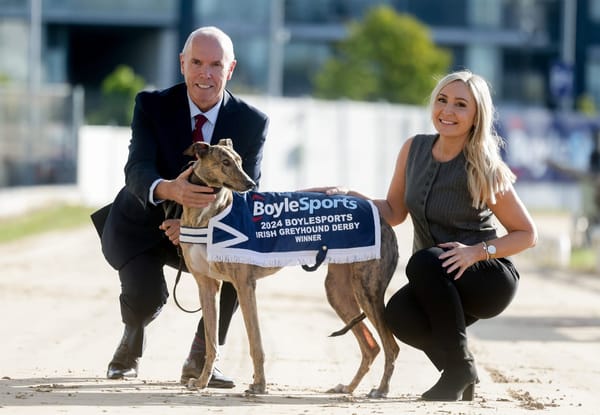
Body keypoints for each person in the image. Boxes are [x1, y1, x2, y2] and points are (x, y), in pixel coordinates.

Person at [309, 70, 537, 401]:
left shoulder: (482, 165)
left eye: (461, 105)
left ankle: (457, 373)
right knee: (398, 315)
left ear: (476, 117)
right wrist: (348, 197)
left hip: (486, 279)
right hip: (437, 277)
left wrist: (476, 252)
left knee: (424, 262)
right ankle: (462, 368)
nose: (448, 111)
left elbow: (527, 234)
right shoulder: (413, 149)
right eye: (442, 101)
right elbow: (393, 211)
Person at [91, 26, 269, 388]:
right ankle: (131, 341)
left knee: (241, 260)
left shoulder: (252, 121)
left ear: (230, 69)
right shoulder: (151, 104)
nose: (206, 74)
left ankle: (203, 357)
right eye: (197, 63)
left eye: (216, 65)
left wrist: (193, 228)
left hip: (206, 229)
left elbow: (248, 192)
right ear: (182, 64)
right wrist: (170, 191)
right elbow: (137, 169)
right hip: (143, 223)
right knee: (143, 296)